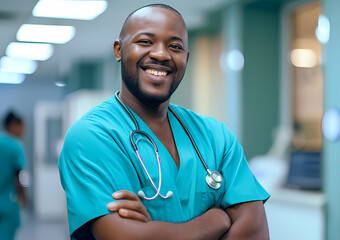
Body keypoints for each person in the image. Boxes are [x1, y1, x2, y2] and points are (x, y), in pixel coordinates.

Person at [59, 3, 270, 240]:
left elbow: (255, 230)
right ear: (119, 50)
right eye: (145, 42)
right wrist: (214, 220)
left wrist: (154, 229)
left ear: (186, 59)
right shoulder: (91, 136)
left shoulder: (216, 136)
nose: (161, 54)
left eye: (175, 46)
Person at [0, 111, 27, 240]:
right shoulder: (15, 146)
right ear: (13, 125)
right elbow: (20, 175)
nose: (23, 133)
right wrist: (24, 196)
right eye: (22, 128)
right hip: (7, 202)